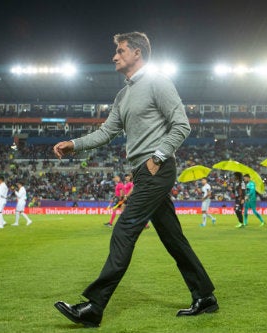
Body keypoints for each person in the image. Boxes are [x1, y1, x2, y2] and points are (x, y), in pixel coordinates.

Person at [52, 31, 217, 328]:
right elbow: (106, 133)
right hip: (142, 173)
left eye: (120, 50)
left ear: (137, 53)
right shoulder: (123, 94)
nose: (114, 56)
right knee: (173, 238)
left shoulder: (158, 82)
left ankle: (95, 305)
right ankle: (205, 296)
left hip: (157, 169)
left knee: (125, 228)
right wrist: (73, 144)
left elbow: (182, 125)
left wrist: (157, 157)